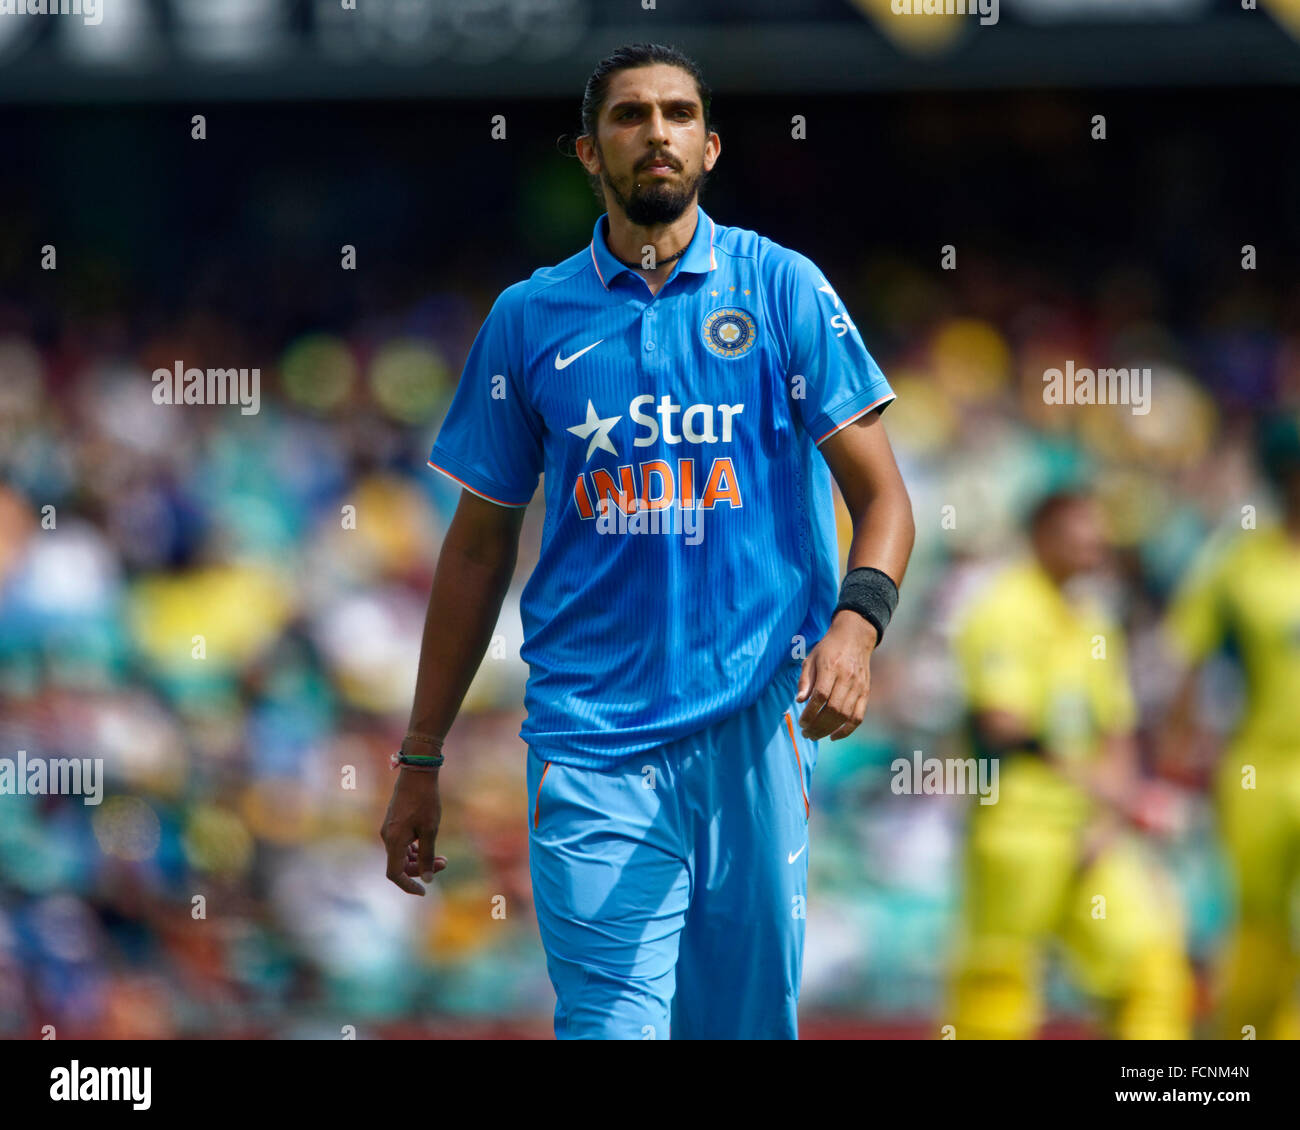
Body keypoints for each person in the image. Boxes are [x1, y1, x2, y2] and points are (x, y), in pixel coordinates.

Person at [380, 42, 914, 1039]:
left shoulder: (781, 287)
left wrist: (856, 626)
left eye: (677, 115)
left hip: (753, 725)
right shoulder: (527, 318)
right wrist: (421, 753)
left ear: (709, 148)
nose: (656, 133)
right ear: (588, 152)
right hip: (590, 740)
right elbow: (475, 550)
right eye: (630, 116)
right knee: (607, 1024)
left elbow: (884, 497)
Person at [949, 489, 1192, 1039]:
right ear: (1044, 534)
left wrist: (1109, 816)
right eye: (1083, 530)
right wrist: (1098, 787)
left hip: (1088, 829)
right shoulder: (1002, 609)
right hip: (1016, 830)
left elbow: (1116, 728)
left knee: (1149, 967)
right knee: (998, 985)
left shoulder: (1094, 620)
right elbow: (1001, 722)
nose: (1097, 543)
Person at [1161, 412, 1300, 1039]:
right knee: (1261, 931)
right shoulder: (1240, 561)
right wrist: (1178, 753)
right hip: (1262, 772)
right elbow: (1187, 655)